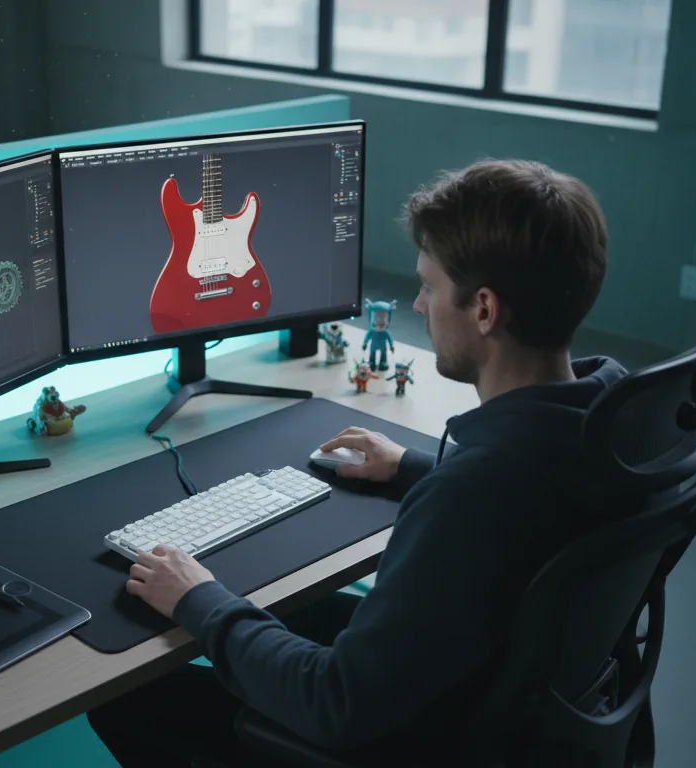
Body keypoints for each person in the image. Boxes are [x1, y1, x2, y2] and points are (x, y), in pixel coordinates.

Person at [88, 159, 624, 766]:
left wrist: (198, 598)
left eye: (428, 285)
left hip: (416, 739)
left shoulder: (473, 496)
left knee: (129, 694)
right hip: (512, 706)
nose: (419, 304)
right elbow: (514, 501)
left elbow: (332, 701)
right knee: (295, 603)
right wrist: (416, 467)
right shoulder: (615, 421)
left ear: (483, 310)